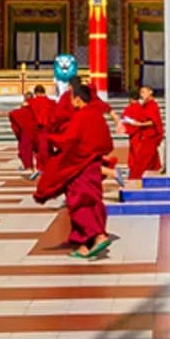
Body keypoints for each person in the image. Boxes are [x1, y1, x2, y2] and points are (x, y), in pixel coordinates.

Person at [33, 81, 114, 258]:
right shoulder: (96, 116)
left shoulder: (81, 116)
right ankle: (84, 246)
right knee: (93, 202)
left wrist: (51, 137)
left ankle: (99, 236)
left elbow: (68, 139)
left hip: (80, 167)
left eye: (71, 99)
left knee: (78, 203)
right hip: (92, 165)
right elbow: (106, 142)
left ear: (78, 100)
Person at [121, 84, 165, 183]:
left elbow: (153, 121)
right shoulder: (145, 105)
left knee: (141, 161)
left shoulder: (152, 104)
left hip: (149, 136)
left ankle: (134, 179)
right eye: (141, 93)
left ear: (150, 92)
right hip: (145, 135)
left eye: (144, 92)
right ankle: (152, 180)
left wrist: (140, 124)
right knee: (151, 161)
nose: (142, 95)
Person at [8, 94, 41, 176]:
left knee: (26, 150)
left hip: (27, 132)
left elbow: (14, 114)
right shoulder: (37, 105)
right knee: (38, 150)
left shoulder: (27, 106)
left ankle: (30, 167)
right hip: (37, 131)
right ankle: (37, 167)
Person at [29, 84, 59, 166]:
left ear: (36, 93)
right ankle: (51, 164)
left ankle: (43, 167)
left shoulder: (32, 102)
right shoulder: (52, 102)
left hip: (39, 129)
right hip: (50, 128)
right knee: (49, 147)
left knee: (41, 149)